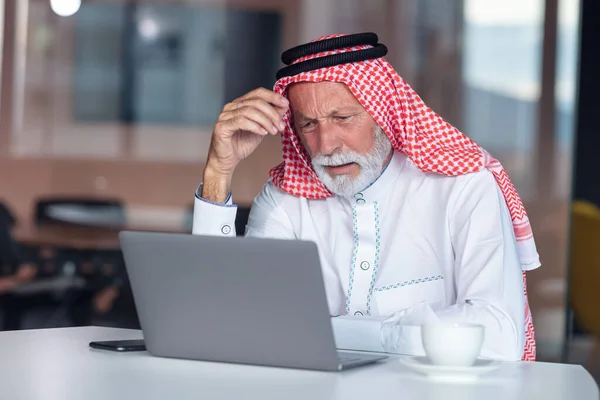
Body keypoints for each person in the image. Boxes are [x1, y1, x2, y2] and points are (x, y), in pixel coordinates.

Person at [191, 33, 540, 361]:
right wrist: (218, 173)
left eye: (342, 117)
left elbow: (498, 337)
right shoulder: (287, 198)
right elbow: (226, 322)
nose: (326, 145)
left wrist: (338, 332)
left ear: (384, 113)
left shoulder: (463, 187)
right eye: (308, 124)